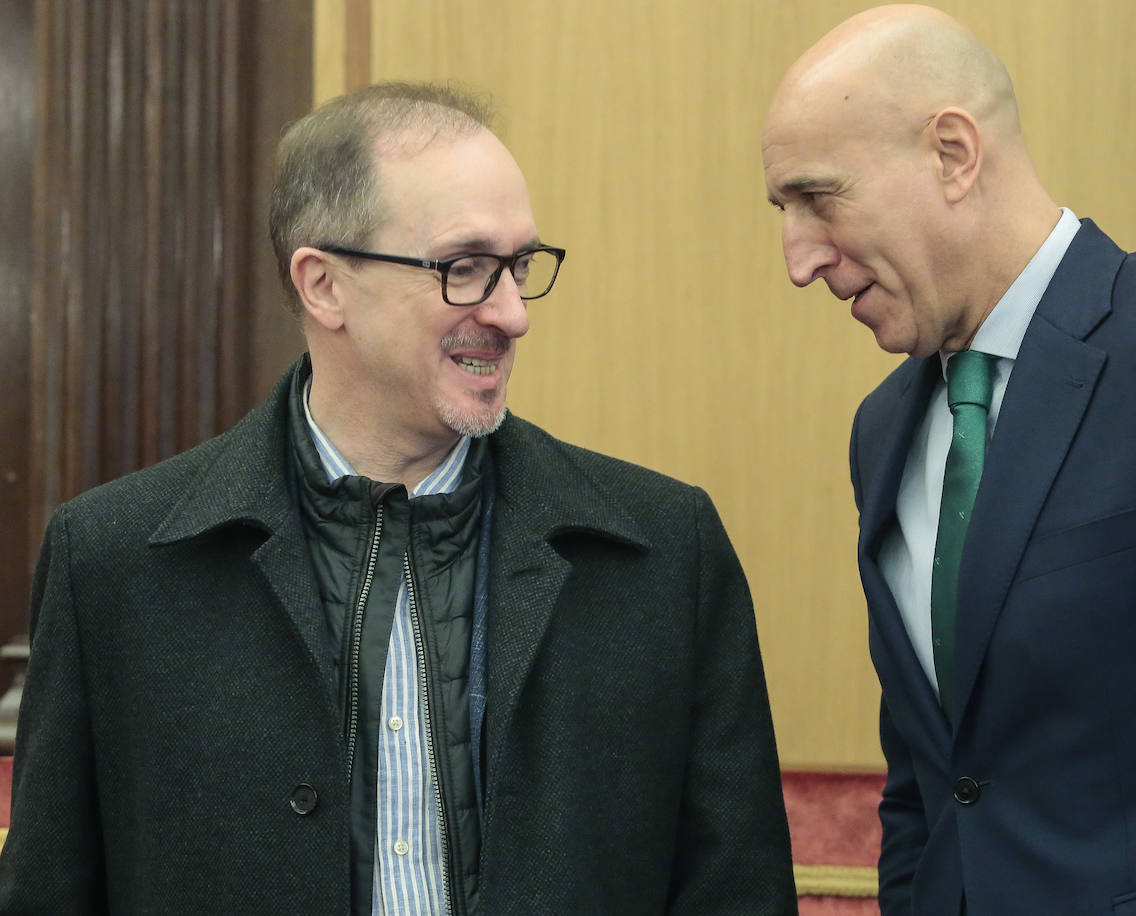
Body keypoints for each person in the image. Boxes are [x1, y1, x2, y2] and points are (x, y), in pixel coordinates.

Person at [0, 81, 797, 915]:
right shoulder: (113, 565)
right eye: (466, 269)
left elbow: (736, 891)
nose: (513, 313)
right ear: (324, 286)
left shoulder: (665, 554)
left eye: (521, 266)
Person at [763, 6, 1136, 915]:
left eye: (820, 198)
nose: (799, 259)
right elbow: (931, 780)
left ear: (953, 154)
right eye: (784, 212)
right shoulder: (883, 429)